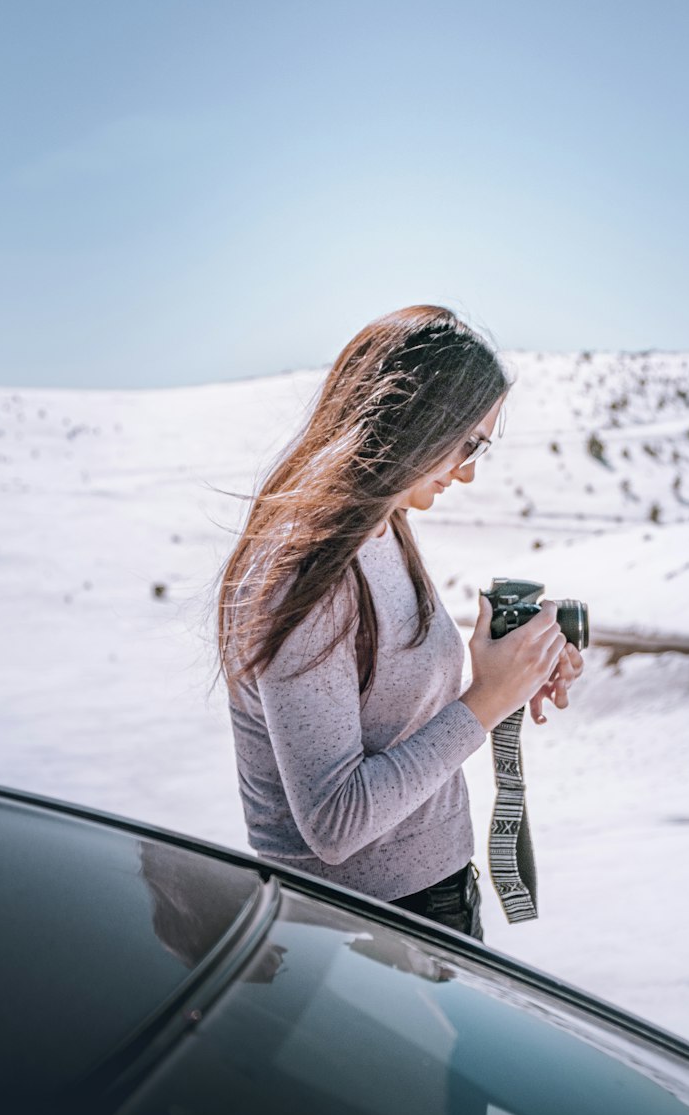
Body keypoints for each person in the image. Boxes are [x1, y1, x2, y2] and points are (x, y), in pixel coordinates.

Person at [217, 305, 582, 941]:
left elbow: (394, 713)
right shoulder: (308, 573)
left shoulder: (382, 527)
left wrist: (513, 673)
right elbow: (335, 823)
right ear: (413, 421)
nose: (467, 471)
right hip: (358, 936)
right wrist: (487, 701)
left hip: (425, 904)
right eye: (468, 443)